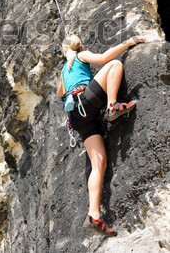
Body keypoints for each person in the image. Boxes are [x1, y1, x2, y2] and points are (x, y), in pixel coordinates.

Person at [56, 34, 145, 236]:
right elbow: (104, 58)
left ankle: (93, 215)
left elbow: (60, 93)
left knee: (99, 163)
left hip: (78, 118)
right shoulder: (81, 55)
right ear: (79, 46)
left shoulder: (64, 70)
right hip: (87, 102)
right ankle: (112, 106)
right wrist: (128, 42)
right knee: (114, 65)